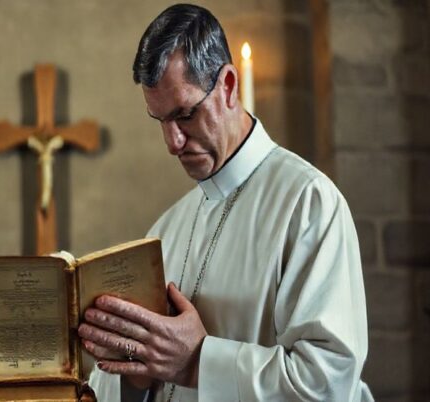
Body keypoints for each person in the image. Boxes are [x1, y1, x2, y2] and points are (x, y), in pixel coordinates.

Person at [78, 4, 372, 401]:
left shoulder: (308, 204)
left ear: (229, 85)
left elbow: (328, 382)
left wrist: (198, 361)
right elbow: (115, 389)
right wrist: (135, 372)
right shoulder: (166, 230)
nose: (172, 143)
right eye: (160, 121)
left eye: (185, 115)